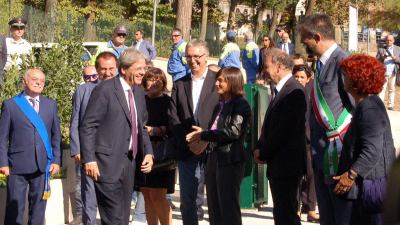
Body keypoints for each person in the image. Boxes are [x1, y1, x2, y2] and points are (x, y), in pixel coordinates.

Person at [79, 48, 154, 225]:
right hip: (105, 164)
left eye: (144, 68)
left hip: (129, 163)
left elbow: (140, 127)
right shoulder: (105, 89)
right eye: (139, 68)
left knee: (123, 216)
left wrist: (149, 152)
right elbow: (88, 125)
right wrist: (89, 159)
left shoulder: (138, 92)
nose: (143, 72)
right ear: (124, 69)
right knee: (113, 218)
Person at [298, 13, 353, 225]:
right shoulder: (321, 64)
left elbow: (360, 111)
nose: (304, 45)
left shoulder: (343, 62)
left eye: (306, 41)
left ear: (318, 37)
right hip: (321, 155)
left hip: (340, 160)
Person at [334, 54, 396, 225]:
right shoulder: (366, 104)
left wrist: (350, 175)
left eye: (346, 74)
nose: (343, 78)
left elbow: (372, 150)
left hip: (369, 190)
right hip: (366, 188)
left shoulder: (369, 108)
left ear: (357, 78)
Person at [186, 67, 251, 225]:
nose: (217, 83)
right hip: (214, 158)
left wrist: (204, 134)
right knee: (214, 208)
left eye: (221, 80)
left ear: (232, 81)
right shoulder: (219, 105)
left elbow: (233, 132)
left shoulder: (241, 105)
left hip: (229, 160)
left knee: (228, 208)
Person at [0, 68, 61, 225]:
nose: (39, 82)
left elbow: (56, 136)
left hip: (43, 165)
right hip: (16, 166)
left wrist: (56, 160)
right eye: (34, 79)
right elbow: (2, 137)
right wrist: (3, 163)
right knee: (14, 210)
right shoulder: (10, 105)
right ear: (24, 81)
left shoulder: (51, 105)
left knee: (39, 210)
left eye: (42, 80)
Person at [168, 39, 219, 225]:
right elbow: (173, 117)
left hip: (213, 150)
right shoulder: (179, 83)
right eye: (188, 57)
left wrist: (205, 138)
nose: (192, 60)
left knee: (215, 200)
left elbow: (223, 115)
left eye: (197, 56)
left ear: (206, 57)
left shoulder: (218, 82)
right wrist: (191, 140)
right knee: (187, 202)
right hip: (187, 149)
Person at [253, 48, 306, 225]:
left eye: (267, 66)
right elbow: (270, 125)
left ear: (279, 66)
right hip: (278, 165)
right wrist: (259, 147)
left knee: (287, 215)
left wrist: (264, 152)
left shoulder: (294, 91)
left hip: (287, 166)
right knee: (282, 214)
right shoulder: (280, 90)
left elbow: (284, 130)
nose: (265, 71)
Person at [69, 52, 118, 225]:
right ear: (97, 70)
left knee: (113, 199)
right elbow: (75, 120)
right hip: (88, 153)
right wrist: (76, 149)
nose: (107, 73)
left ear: (117, 68)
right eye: (103, 69)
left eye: (111, 69)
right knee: (89, 196)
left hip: (114, 154)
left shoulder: (124, 89)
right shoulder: (83, 90)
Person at [135, 67, 175, 225]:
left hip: (161, 153)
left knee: (159, 197)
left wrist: (157, 130)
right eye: (151, 79)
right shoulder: (140, 100)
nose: (155, 82)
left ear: (164, 82)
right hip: (142, 151)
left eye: (159, 79)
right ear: (145, 82)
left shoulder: (169, 101)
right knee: (147, 195)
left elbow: (174, 126)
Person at [293, 64, 319, 223]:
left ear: (308, 78)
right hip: (294, 140)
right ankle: (295, 206)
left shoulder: (312, 93)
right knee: (295, 175)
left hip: (309, 139)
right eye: (296, 77)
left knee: (311, 174)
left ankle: (310, 208)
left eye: (302, 77)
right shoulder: (290, 92)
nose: (299, 80)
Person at [376, 34, 400, 110]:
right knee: (382, 89)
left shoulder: (398, 49)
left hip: (393, 72)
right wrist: (383, 57)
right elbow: (376, 60)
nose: (389, 42)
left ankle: (390, 105)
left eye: (390, 40)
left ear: (393, 41)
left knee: (392, 89)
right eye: (387, 40)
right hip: (383, 72)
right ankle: (380, 105)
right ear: (385, 41)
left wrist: (395, 58)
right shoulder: (381, 49)